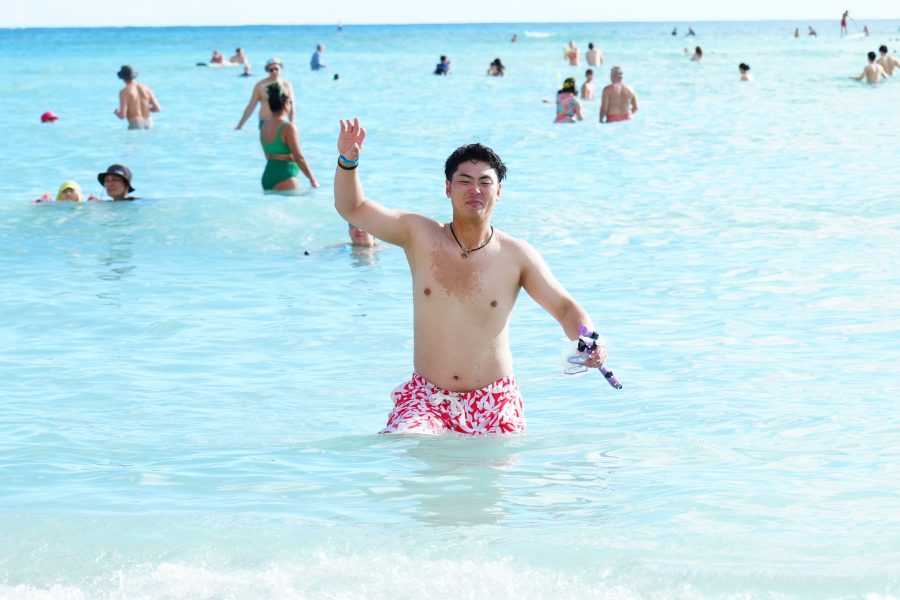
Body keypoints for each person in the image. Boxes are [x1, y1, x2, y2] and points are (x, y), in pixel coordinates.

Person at [332, 118, 610, 435]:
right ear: (448, 188)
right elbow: (353, 208)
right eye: (464, 181)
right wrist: (347, 162)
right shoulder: (419, 235)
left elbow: (564, 307)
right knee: (404, 442)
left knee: (497, 464)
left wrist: (590, 340)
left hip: (495, 400)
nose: (475, 189)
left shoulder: (516, 255)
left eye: (485, 182)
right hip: (427, 398)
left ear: (499, 190)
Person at [259, 83, 318, 192]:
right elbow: (299, 158)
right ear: (285, 104)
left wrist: (284, 157)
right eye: (290, 102)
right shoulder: (288, 127)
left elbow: (269, 156)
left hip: (267, 177)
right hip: (285, 177)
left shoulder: (264, 127)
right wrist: (312, 179)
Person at [235, 58, 295, 130]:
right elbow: (251, 106)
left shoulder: (287, 85)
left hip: (281, 122)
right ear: (267, 71)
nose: (274, 71)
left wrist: (292, 123)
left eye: (276, 69)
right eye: (271, 70)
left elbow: (291, 106)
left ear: (281, 69)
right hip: (265, 122)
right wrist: (240, 125)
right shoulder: (260, 85)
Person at [114, 65, 161, 130]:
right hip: (149, 122)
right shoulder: (146, 88)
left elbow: (122, 115)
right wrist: (146, 108)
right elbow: (158, 109)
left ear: (122, 77)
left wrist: (116, 112)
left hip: (135, 123)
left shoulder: (124, 92)